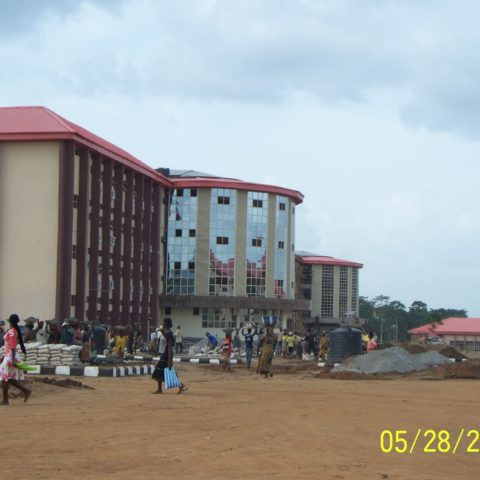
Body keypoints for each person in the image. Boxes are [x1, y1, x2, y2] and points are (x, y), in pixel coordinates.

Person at [1, 314, 32, 405]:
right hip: (10, 355)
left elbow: (13, 345)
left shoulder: (11, 331)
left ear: (10, 322)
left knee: (4, 378)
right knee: (8, 378)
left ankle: (5, 400)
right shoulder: (15, 331)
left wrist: (12, 358)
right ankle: (26, 391)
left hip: (11, 355)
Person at [152, 318, 187, 394]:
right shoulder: (166, 332)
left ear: (166, 324)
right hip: (163, 353)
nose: (162, 323)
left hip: (166, 355)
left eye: (164, 322)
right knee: (160, 371)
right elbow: (161, 339)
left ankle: (181, 385)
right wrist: (160, 331)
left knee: (166, 371)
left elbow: (170, 346)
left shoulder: (169, 333)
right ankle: (160, 389)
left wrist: (170, 360)